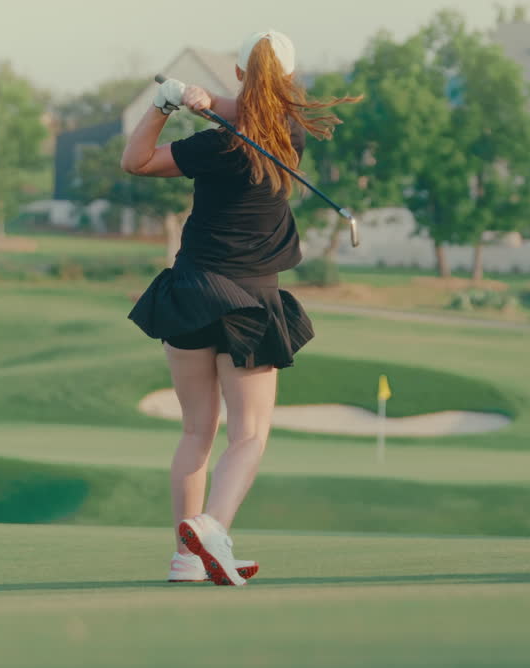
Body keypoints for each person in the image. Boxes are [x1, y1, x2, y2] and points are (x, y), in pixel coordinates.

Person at [120, 30, 359, 586]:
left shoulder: (214, 145)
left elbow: (136, 162)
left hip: (191, 289)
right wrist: (201, 102)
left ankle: (187, 556)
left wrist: (167, 104)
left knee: (195, 432)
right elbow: (252, 110)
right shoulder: (292, 135)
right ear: (291, 82)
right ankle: (212, 528)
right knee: (249, 434)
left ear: (238, 73)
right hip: (250, 298)